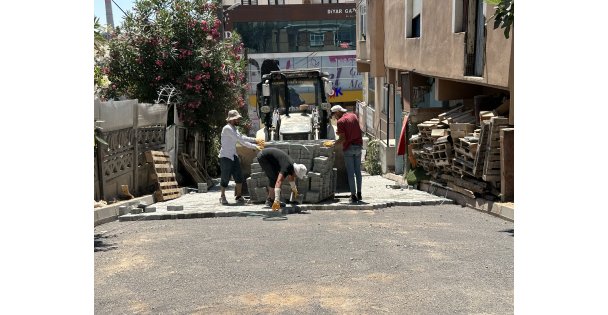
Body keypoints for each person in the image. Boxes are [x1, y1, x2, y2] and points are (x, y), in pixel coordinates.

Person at [219, 110, 264, 205]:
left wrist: (256, 140)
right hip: (225, 156)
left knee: (239, 177)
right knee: (225, 177)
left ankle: (238, 196)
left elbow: (243, 137)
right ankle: (222, 196)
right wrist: (255, 146)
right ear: (232, 119)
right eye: (237, 119)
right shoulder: (227, 128)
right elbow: (241, 141)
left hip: (233, 155)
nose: (238, 120)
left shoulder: (234, 129)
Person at [327, 105, 363, 203]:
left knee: (351, 173)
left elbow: (343, 138)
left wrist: (333, 144)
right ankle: (359, 193)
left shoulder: (341, 121)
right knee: (358, 172)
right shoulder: (353, 116)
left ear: (338, 112)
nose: (334, 117)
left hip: (349, 148)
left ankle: (353, 195)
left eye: (334, 115)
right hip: (358, 146)